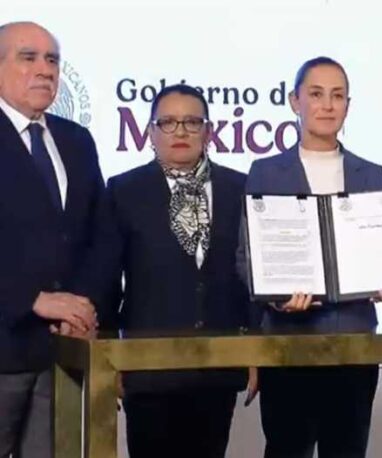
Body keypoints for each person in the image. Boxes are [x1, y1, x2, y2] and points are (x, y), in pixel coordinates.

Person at [77, 84, 256, 458]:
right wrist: (108, 359)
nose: (180, 131)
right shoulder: (124, 190)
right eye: (168, 122)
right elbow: (107, 282)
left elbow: (252, 278)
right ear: (150, 132)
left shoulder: (240, 188)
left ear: (209, 131)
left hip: (220, 364)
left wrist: (257, 350)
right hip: (147, 369)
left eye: (192, 122)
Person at [244, 56, 382, 458]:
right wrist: (276, 297)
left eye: (338, 96)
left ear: (349, 104)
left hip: (354, 342)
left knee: (348, 450)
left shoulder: (372, 173)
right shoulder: (265, 171)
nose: (328, 105)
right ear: (294, 101)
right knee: (286, 449)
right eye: (316, 94)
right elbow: (246, 256)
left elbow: (381, 250)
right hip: (287, 343)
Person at [0, 21, 100, 458]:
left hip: (63, 353)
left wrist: (84, 305)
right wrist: (31, 299)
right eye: (29, 58)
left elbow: (100, 234)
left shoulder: (76, 140)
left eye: (53, 60)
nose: (45, 69)